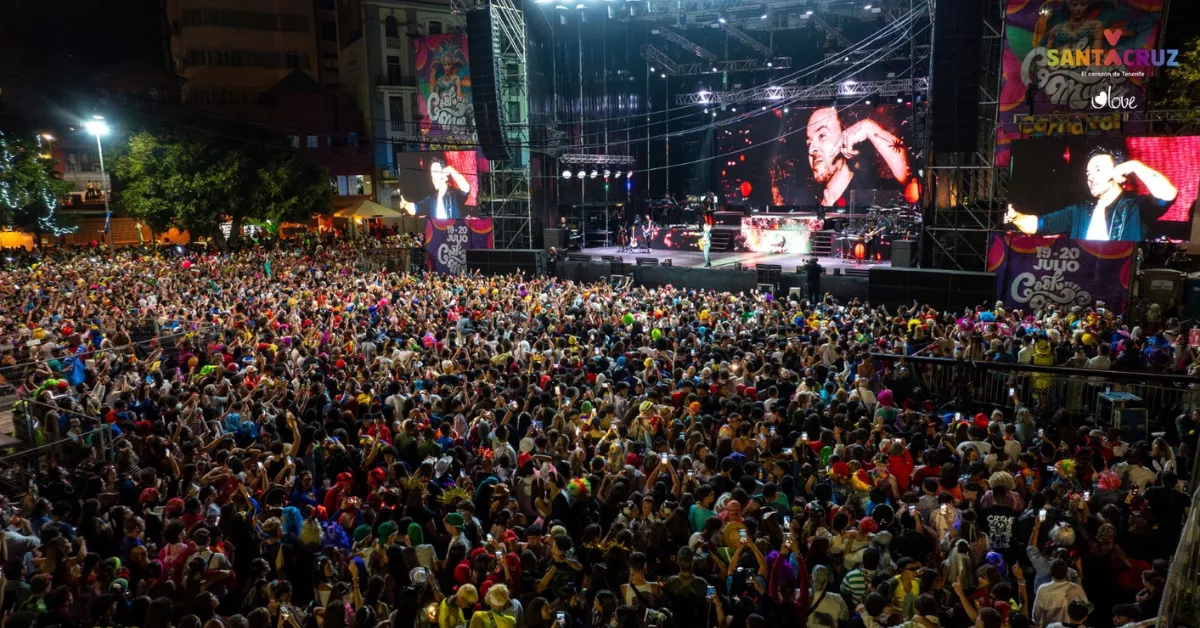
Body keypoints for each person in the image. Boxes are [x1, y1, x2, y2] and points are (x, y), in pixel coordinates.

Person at [1006, 147, 1177, 241]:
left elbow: (1168, 194)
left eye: (1097, 169)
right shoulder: (1079, 211)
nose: (1091, 176)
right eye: (1088, 173)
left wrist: (1134, 166)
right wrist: (1016, 218)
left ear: (1118, 171)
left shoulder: (1136, 207)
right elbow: (1039, 224)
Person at [806, 107, 911, 207]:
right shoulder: (810, 203)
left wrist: (868, 127)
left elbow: (907, 173)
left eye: (822, 136)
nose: (811, 149)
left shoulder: (872, 193)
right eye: (809, 143)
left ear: (846, 134)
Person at [399, 159, 472, 219]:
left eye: (436, 172)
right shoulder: (431, 199)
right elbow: (415, 208)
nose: (433, 177)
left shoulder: (454, 195)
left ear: (445, 176)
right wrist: (405, 204)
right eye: (432, 174)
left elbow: (466, 187)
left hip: (454, 235)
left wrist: (450, 170)